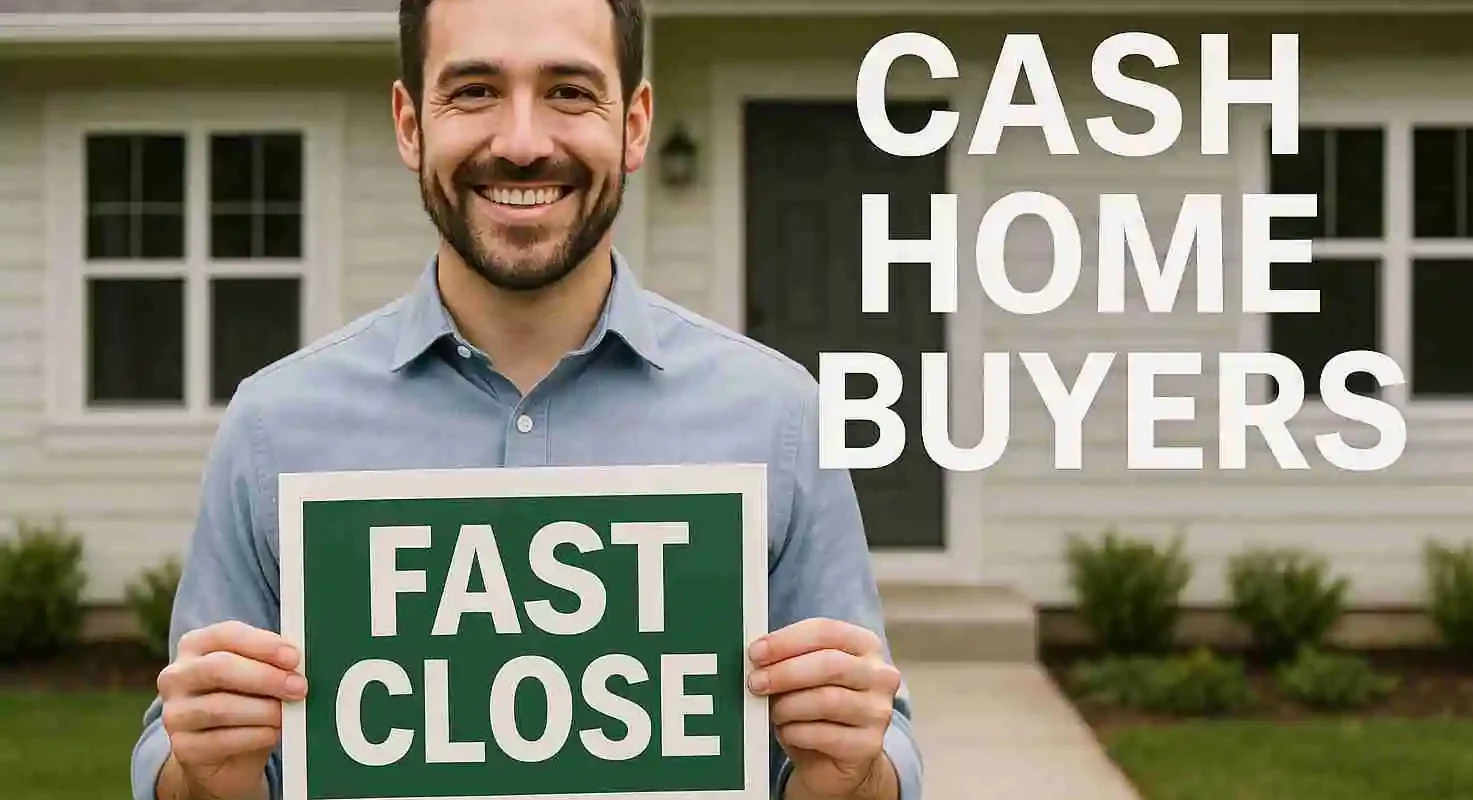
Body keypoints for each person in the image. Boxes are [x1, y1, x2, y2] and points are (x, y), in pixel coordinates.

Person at [130, 0, 921, 799]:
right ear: (410, 123)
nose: (520, 143)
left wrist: (850, 767)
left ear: (635, 124)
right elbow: (195, 762)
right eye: (473, 91)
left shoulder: (779, 417)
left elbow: (869, 762)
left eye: (569, 91)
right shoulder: (274, 428)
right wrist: (206, 772)